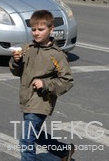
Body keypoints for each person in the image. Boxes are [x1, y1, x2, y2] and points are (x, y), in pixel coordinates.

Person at [9, 10, 74, 161]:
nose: (36, 33)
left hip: (41, 102)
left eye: (41, 29)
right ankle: (63, 151)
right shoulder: (27, 48)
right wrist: (16, 62)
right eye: (33, 29)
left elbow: (67, 80)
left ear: (51, 29)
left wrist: (45, 84)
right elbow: (17, 72)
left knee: (26, 141)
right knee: (35, 134)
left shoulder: (56, 55)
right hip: (27, 99)